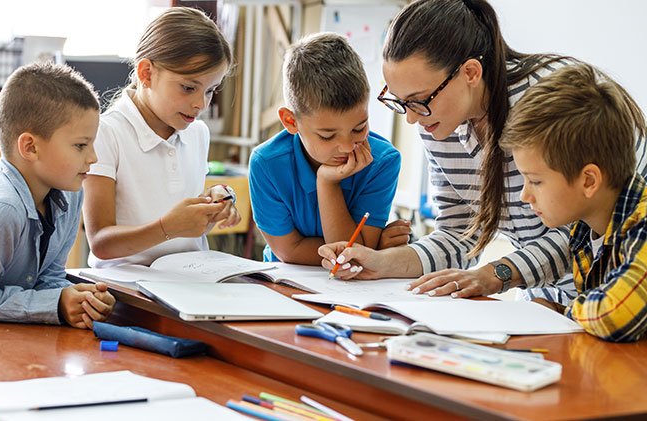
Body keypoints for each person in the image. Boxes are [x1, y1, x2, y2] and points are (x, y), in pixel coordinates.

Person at [320, 0, 646, 304]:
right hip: (547, 306)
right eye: (401, 102)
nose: (412, 118)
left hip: (617, 293)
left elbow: (585, 228)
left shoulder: (550, 106)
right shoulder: (439, 122)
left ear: (471, 73)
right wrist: (382, 263)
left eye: (419, 100)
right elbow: (460, 233)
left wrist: (497, 274)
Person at [0, 62, 115, 328]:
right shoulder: (1, 209)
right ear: (30, 147)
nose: (93, 158)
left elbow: (49, 276)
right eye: (80, 145)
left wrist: (77, 300)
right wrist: (54, 304)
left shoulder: (70, 196)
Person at [499, 63, 647, 342]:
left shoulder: (643, 224)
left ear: (589, 181)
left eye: (536, 181)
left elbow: (615, 314)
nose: (525, 196)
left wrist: (564, 312)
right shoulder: (584, 231)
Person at [83, 7, 240, 268]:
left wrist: (212, 205)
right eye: (188, 88)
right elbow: (100, 242)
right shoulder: (107, 132)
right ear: (147, 73)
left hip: (191, 277)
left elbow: (182, 220)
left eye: (211, 91)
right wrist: (167, 227)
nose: (200, 104)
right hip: (127, 288)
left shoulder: (198, 132)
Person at [249, 32, 401, 264]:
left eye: (359, 128)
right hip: (283, 284)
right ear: (291, 122)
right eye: (328, 136)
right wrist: (373, 247)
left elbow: (353, 258)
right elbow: (288, 251)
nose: (348, 146)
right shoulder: (267, 164)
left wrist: (327, 183)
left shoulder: (382, 161)